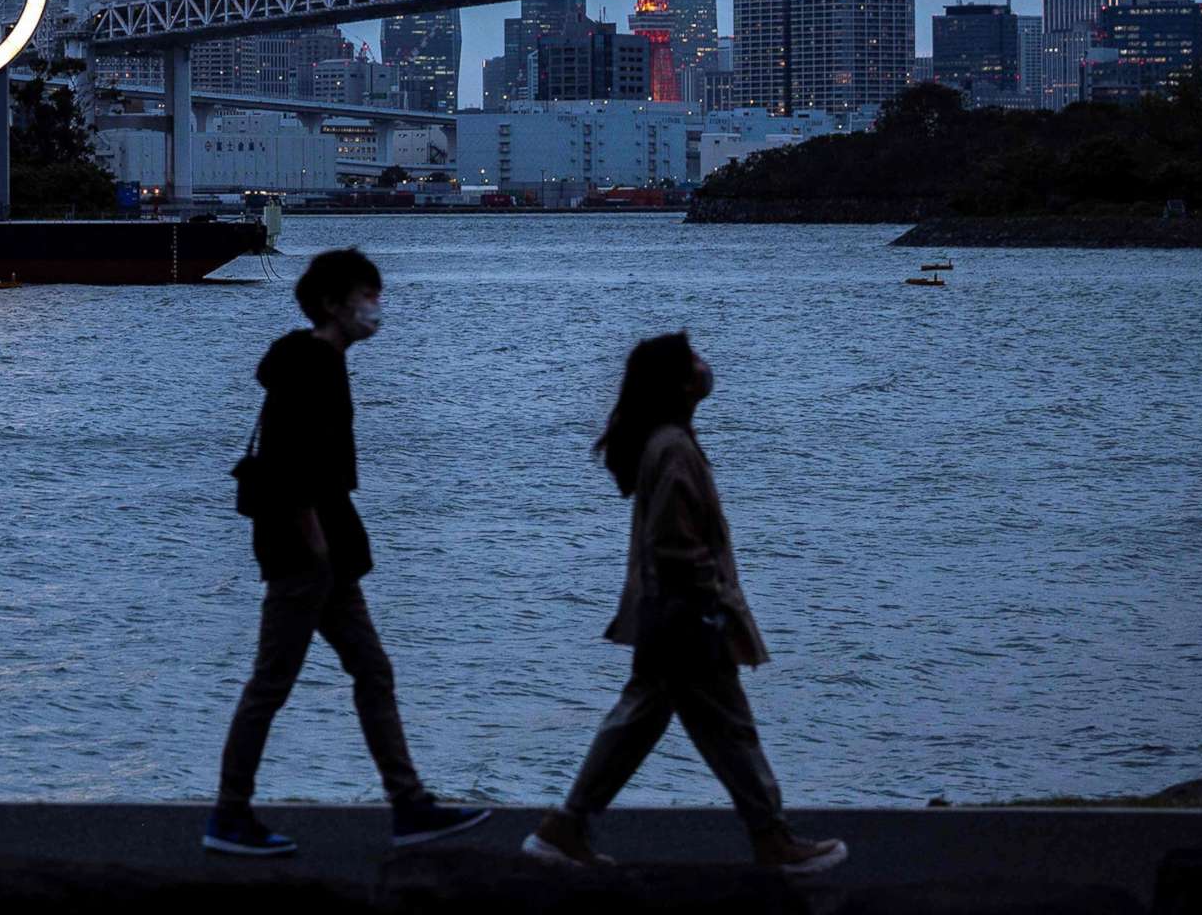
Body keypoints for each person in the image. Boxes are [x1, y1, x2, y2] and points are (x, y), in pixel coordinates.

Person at [522, 331, 847, 874]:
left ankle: (567, 826)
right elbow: (674, 543)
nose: (705, 366)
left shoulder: (668, 441)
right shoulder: (672, 446)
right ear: (677, 382)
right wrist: (711, 605)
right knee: (724, 727)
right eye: (693, 359)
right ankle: (771, 839)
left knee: (644, 722)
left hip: (670, 614)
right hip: (685, 615)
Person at [204, 247, 489, 857]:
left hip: (324, 551)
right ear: (334, 303)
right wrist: (315, 547)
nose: (376, 307)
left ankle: (409, 805)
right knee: (273, 682)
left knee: (369, 670)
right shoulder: (311, 365)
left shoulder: (318, 361)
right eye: (367, 295)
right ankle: (229, 816)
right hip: (306, 554)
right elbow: (293, 464)